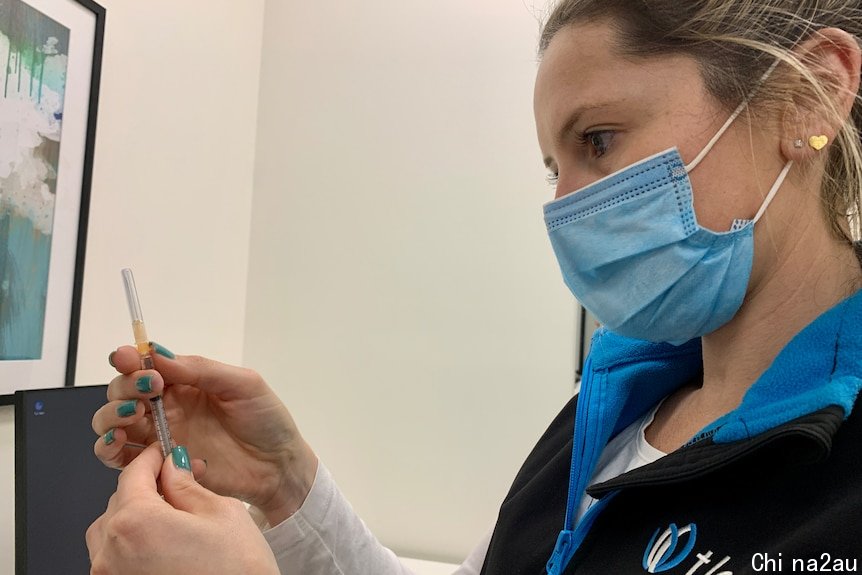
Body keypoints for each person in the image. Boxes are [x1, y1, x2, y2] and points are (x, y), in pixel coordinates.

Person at [87, 1, 862, 573]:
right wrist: (284, 480)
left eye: (597, 139)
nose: (564, 205)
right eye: (553, 167)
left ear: (811, 97)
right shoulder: (618, 409)